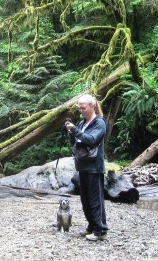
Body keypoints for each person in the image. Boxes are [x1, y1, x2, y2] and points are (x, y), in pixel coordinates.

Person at [65, 94, 108, 241]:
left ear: (92, 106)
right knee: (85, 200)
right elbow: (76, 142)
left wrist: (76, 130)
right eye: (79, 108)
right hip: (82, 166)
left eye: (83, 108)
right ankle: (91, 226)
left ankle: (101, 231)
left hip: (95, 168)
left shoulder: (99, 123)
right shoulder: (83, 123)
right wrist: (71, 132)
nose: (81, 110)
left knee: (96, 200)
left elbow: (92, 140)